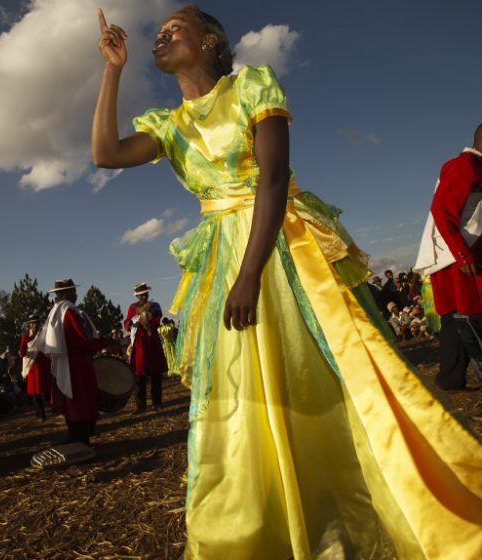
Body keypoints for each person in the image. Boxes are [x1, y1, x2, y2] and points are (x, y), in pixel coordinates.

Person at [92, 6, 482, 558]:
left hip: (279, 248)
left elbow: (273, 176)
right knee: (243, 389)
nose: (161, 35)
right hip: (221, 258)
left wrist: (251, 274)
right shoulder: (168, 125)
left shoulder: (252, 84)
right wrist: (111, 70)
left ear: (209, 42)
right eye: (157, 32)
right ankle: (262, 518)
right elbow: (104, 154)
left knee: (331, 367)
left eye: (174, 27)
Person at [415, 124, 482, 390]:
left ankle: (452, 378)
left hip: (468, 251)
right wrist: (462, 256)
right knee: (460, 318)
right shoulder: (464, 166)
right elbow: (442, 211)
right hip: (455, 257)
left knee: (464, 317)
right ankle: (451, 379)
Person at [34, 279, 107, 447]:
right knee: (81, 399)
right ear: (66, 294)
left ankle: (76, 436)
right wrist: (102, 343)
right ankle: (80, 439)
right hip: (77, 364)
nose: (76, 294)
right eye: (73, 292)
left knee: (71, 400)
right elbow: (80, 341)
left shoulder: (55, 312)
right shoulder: (69, 312)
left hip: (67, 362)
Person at [124, 283, 168, 412]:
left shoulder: (155, 306)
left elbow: (156, 319)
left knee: (156, 375)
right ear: (137, 295)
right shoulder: (132, 308)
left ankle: (157, 403)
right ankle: (141, 406)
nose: (143, 295)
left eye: (145, 293)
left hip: (152, 341)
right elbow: (127, 323)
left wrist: (147, 320)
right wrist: (131, 322)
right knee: (139, 375)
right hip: (139, 343)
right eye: (141, 294)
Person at [19, 314, 52, 420]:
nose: (35, 325)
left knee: (47, 389)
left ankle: (54, 408)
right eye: (32, 323)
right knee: (35, 393)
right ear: (29, 325)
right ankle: (40, 414)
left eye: (36, 322)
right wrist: (22, 352)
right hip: (33, 367)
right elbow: (23, 350)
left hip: (44, 366)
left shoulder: (44, 334)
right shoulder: (26, 337)